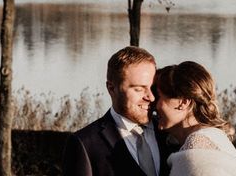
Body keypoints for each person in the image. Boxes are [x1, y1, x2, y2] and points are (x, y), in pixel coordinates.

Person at [62, 46, 173, 176]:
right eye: (139, 89)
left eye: (152, 88)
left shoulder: (170, 132)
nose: (151, 97)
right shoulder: (84, 144)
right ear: (111, 88)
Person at [154, 61, 236, 176]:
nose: (154, 104)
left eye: (159, 96)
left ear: (183, 102)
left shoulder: (197, 146)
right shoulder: (214, 135)